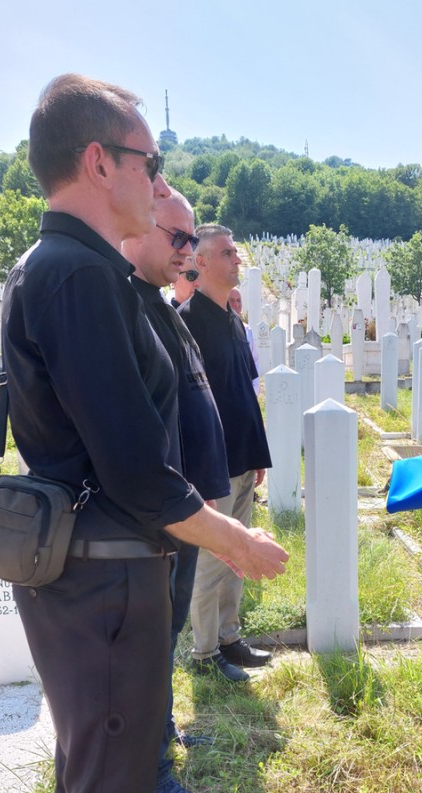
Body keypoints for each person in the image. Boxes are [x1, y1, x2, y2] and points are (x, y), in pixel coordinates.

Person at [4, 74, 287, 793]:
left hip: (101, 575)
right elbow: (131, 461)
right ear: (99, 163)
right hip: (106, 577)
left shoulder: (83, 267)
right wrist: (232, 541)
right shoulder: (74, 273)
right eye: (148, 162)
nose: (155, 179)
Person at [123, 186, 229, 793]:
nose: (190, 253)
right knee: (152, 638)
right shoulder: (125, 305)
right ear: (138, 225)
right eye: (179, 238)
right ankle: (151, 767)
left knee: (170, 627)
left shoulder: (163, 303)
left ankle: (162, 731)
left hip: (188, 504)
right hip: (163, 511)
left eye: (194, 241)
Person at [180, 224, 273, 682]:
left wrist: (258, 455)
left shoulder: (235, 320)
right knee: (211, 560)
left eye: (236, 252)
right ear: (201, 263)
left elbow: (243, 392)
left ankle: (229, 637)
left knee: (239, 554)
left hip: (241, 456)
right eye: (227, 253)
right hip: (210, 467)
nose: (238, 259)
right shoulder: (185, 321)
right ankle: (203, 653)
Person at [228, 284, 261, 394]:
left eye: (238, 300)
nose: (236, 304)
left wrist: (254, 389)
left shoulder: (247, 330)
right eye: (231, 300)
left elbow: (254, 360)